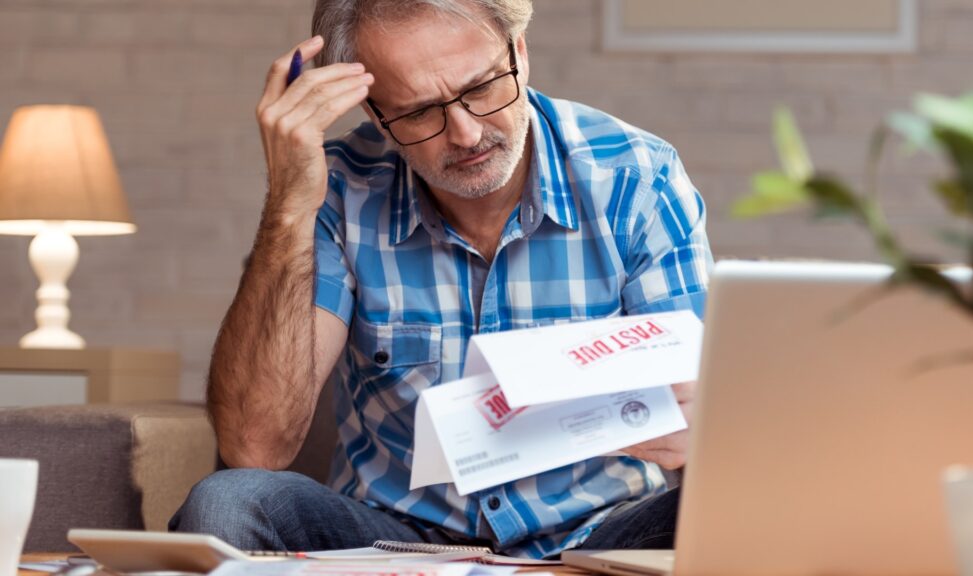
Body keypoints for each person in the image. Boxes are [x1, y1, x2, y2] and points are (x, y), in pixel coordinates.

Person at [170, 0, 713, 559]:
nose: (466, 132)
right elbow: (255, 446)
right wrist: (289, 203)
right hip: (393, 538)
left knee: (731, 503)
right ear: (376, 115)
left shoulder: (636, 180)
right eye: (420, 112)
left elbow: (714, 424)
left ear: (519, 54)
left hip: (599, 533)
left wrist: (704, 430)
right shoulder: (341, 190)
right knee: (227, 501)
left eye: (481, 88)